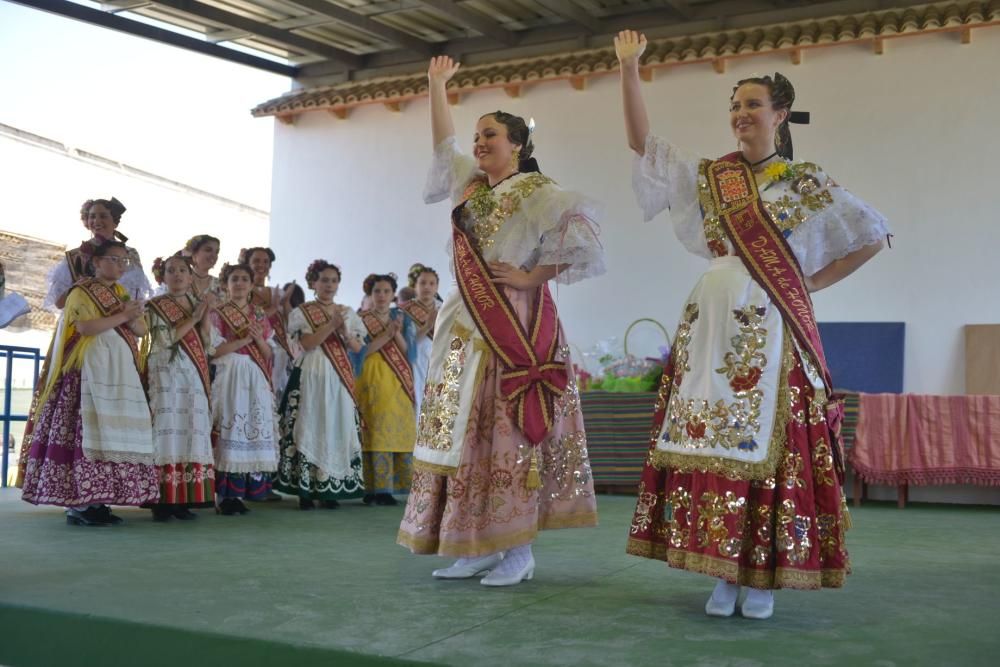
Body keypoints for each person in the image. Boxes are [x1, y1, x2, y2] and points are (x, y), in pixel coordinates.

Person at [614, 30, 889, 619]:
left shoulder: (804, 182)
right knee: (709, 438)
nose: (740, 114)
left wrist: (811, 283)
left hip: (772, 321)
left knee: (770, 440)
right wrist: (629, 68)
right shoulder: (713, 176)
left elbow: (872, 235)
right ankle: (722, 568)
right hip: (712, 318)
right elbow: (642, 143)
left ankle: (760, 574)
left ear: (780, 113)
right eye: (735, 105)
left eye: (752, 104)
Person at [396, 56, 606, 586]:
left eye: (490, 134)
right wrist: (435, 86)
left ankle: (517, 550)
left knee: (507, 432)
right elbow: (443, 146)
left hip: (513, 324)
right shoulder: (470, 186)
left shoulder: (538, 192)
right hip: (462, 322)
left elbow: (583, 240)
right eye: (478, 134)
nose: (479, 141)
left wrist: (533, 277)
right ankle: (474, 543)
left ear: (517, 144)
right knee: (464, 434)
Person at [21, 240, 158, 525]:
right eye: (113, 259)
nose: (120, 265)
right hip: (89, 371)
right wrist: (123, 314)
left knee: (111, 433)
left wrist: (134, 316)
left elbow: (141, 330)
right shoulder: (81, 292)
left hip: (118, 372)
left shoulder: (119, 292)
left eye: (124, 261)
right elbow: (84, 328)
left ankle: (99, 499)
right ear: (96, 262)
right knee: (86, 434)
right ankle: (79, 504)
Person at [274, 260, 366, 509]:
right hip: (312, 373)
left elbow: (358, 347)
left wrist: (345, 333)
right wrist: (331, 326)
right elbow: (307, 343)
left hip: (338, 377)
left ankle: (330, 488)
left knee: (335, 424)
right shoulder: (302, 312)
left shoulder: (347, 312)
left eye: (334, 280)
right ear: (313, 283)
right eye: (324, 280)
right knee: (310, 423)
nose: (329, 285)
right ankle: (305, 489)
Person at [145, 253, 217, 521]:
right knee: (167, 428)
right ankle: (162, 500)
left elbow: (208, 344)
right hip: (165, 372)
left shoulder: (196, 303)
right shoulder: (155, 306)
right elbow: (165, 340)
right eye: (170, 270)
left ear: (190, 276)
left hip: (194, 373)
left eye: (182, 270)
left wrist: (204, 316)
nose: (176, 275)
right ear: (162, 277)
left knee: (191, 428)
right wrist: (195, 317)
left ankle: (185, 497)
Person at [209, 262, 279, 515]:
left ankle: (242, 494)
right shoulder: (217, 313)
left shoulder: (259, 315)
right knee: (230, 428)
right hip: (229, 373)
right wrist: (244, 339)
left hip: (255, 374)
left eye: (244, 279)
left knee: (251, 428)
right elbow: (214, 350)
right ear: (226, 284)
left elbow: (269, 353)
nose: (239, 283)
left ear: (251, 285)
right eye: (234, 279)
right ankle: (224, 496)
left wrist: (257, 338)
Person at [355, 273, 416, 506]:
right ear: (370, 295)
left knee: (396, 428)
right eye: (377, 291)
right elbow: (360, 352)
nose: (381, 295)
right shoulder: (360, 319)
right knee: (373, 429)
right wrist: (386, 335)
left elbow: (409, 353)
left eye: (386, 291)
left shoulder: (402, 317)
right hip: (370, 375)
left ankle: (391, 487)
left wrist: (396, 332)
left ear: (393, 295)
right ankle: (373, 488)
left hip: (397, 378)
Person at [43, 197, 151, 311]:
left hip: (119, 321)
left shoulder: (130, 254)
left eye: (103, 216)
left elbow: (136, 297)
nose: (97, 221)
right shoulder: (75, 256)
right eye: (92, 216)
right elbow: (59, 303)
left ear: (115, 222)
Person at [242, 247, 296, 399]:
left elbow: (291, 324)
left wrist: (285, 304)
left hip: (277, 354)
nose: (261, 265)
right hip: (250, 351)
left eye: (266, 262)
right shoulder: (241, 290)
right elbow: (246, 319)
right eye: (256, 261)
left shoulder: (277, 292)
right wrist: (272, 309)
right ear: (247, 263)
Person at [399, 264, 440, 416]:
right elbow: (405, 342)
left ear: (437, 287)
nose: (427, 287)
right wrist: (428, 326)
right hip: (414, 363)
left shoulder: (444, 309)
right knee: (417, 407)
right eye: (422, 283)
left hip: (438, 363)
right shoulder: (405, 310)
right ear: (415, 286)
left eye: (431, 283)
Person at [183, 234, 223, 302]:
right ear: (194, 254)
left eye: (216, 252)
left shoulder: (219, 284)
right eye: (208, 250)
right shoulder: (181, 279)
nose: (213, 255)